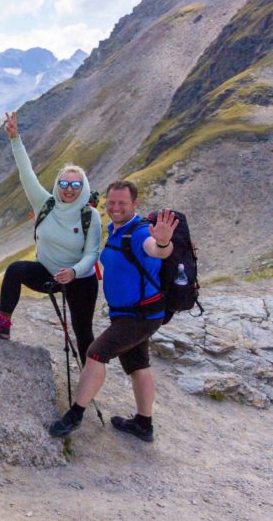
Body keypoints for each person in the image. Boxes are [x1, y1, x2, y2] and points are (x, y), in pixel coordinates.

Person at [48, 180, 179, 442]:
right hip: (134, 313)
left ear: (135, 204)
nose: (116, 207)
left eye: (123, 203)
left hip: (138, 316)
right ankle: (144, 424)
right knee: (138, 365)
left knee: (96, 354)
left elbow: (156, 249)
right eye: (112, 202)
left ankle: (75, 415)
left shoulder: (140, 233)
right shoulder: (115, 229)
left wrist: (163, 243)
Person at [0, 111, 101, 362]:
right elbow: (27, 174)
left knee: (83, 331)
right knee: (15, 270)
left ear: (84, 187)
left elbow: (92, 254)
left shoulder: (91, 215)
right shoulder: (45, 203)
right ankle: (3, 323)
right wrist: (15, 139)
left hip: (80, 280)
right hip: (49, 273)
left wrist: (74, 272)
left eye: (76, 185)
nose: (69, 189)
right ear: (57, 184)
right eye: (64, 184)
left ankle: (90, 373)